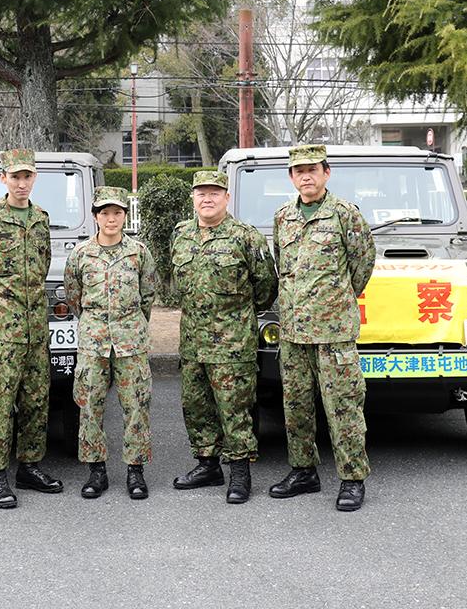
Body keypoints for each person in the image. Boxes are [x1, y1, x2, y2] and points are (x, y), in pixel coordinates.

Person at [269, 144, 376, 512]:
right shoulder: (283, 217)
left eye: (313, 169)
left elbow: (362, 265)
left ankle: (352, 479)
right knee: (296, 406)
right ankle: (303, 471)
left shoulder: (345, 214)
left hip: (333, 333)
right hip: (294, 332)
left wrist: (336, 299)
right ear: (291, 177)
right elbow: (283, 266)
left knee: (343, 407)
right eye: (299, 171)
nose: (306, 176)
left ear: (326, 172)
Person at [0, 148, 62, 509]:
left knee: (37, 400)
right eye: (15, 177)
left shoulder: (40, 218)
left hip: (36, 328)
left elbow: (43, 266)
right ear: (3, 178)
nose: (22, 183)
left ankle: (29, 466)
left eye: (27, 176)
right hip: (3, 331)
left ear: (34, 178)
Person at [171, 171, 277, 504]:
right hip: (192, 344)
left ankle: (240, 474)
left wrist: (235, 316)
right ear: (193, 198)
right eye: (201, 193)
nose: (207, 198)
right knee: (196, 406)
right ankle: (207, 465)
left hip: (232, 345)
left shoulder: (246, 237)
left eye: (215, 193)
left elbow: (266, 289)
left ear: (227, 198)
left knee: (235, 411)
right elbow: (175, 284)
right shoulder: (181, 235)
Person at [63, 186, 157, 500]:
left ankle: (135, 471)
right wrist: (97, 324)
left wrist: (129, 324)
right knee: (90, 407)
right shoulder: (81, 254)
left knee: (136, 408)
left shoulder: (139, 252)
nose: (111, 218)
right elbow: (75, 298)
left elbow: (147, 297)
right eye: (105, 213)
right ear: (95, 217)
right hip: (93, 343)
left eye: (117, 212)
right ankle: (96, 471)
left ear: (124, 216)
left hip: (131, 342)